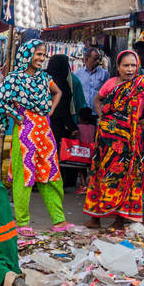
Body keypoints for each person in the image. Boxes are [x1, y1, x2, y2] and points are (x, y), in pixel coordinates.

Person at [0, 39, 73, 235]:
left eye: (43, 55)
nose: (41, 58)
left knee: (51, 174)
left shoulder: (44, 78)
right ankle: (23, 223)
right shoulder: (14, 79)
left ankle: (59, 220)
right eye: (38, 54)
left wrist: (50, 110)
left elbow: (58, 92)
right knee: (24, 177)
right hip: (25, 133)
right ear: (27, 54)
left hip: (44, 132)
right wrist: (15, 115)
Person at [83, 50, 144, 229]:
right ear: (118, 67)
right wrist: (101, 116)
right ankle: (95, 218)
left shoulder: (142, 84)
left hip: (129, 143)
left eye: (133, 65)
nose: (129, 69)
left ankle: (119, 220)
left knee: (124, 179)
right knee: (100, 175)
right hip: (106, 142)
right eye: (126, 65)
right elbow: (98, 99)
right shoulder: (110, 83)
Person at [46, 53, 87, 189]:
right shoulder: (63, 84)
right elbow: (63, 109)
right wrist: (72, 126)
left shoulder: (43, 79)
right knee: (57, 152)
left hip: (41, 123)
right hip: (57, 124)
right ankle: (57, 180)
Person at [74, 47, 110, 114]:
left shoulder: (104, 74)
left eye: (99, 59)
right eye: (95, 59)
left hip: (97, 112)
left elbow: (107, 93)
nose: (98, 61)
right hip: (82, 113)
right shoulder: (77, 74)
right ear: (86, 59)